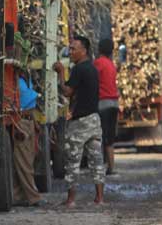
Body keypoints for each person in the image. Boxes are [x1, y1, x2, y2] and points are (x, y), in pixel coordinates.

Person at [53, 35, 106, 207]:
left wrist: (61, 73)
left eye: (73, 49)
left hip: (80, 122)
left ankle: (71, 199)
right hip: (94, 120)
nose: (70, 52)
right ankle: (99, 198)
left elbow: (67, 92)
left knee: (72, 161)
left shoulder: (78, 69)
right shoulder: (92, 68)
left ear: (83, 50)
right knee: (96, 160)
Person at [11, 73, 44, 207]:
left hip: (29, 121)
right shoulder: (15, 80)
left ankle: (18, 196)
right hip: (21, 122)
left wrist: (35, 122)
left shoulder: (26, 78)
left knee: (27, 160)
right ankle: (33, 196)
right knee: (25, 163)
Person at [94, 38, 119, 175]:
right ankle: (111, 166)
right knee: (110, 136)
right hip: (114, 103)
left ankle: (107, 166)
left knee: (102, 136)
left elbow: (92, 79)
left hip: (103, 103)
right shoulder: (111, 64)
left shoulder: (98, 63)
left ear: (99, 49)